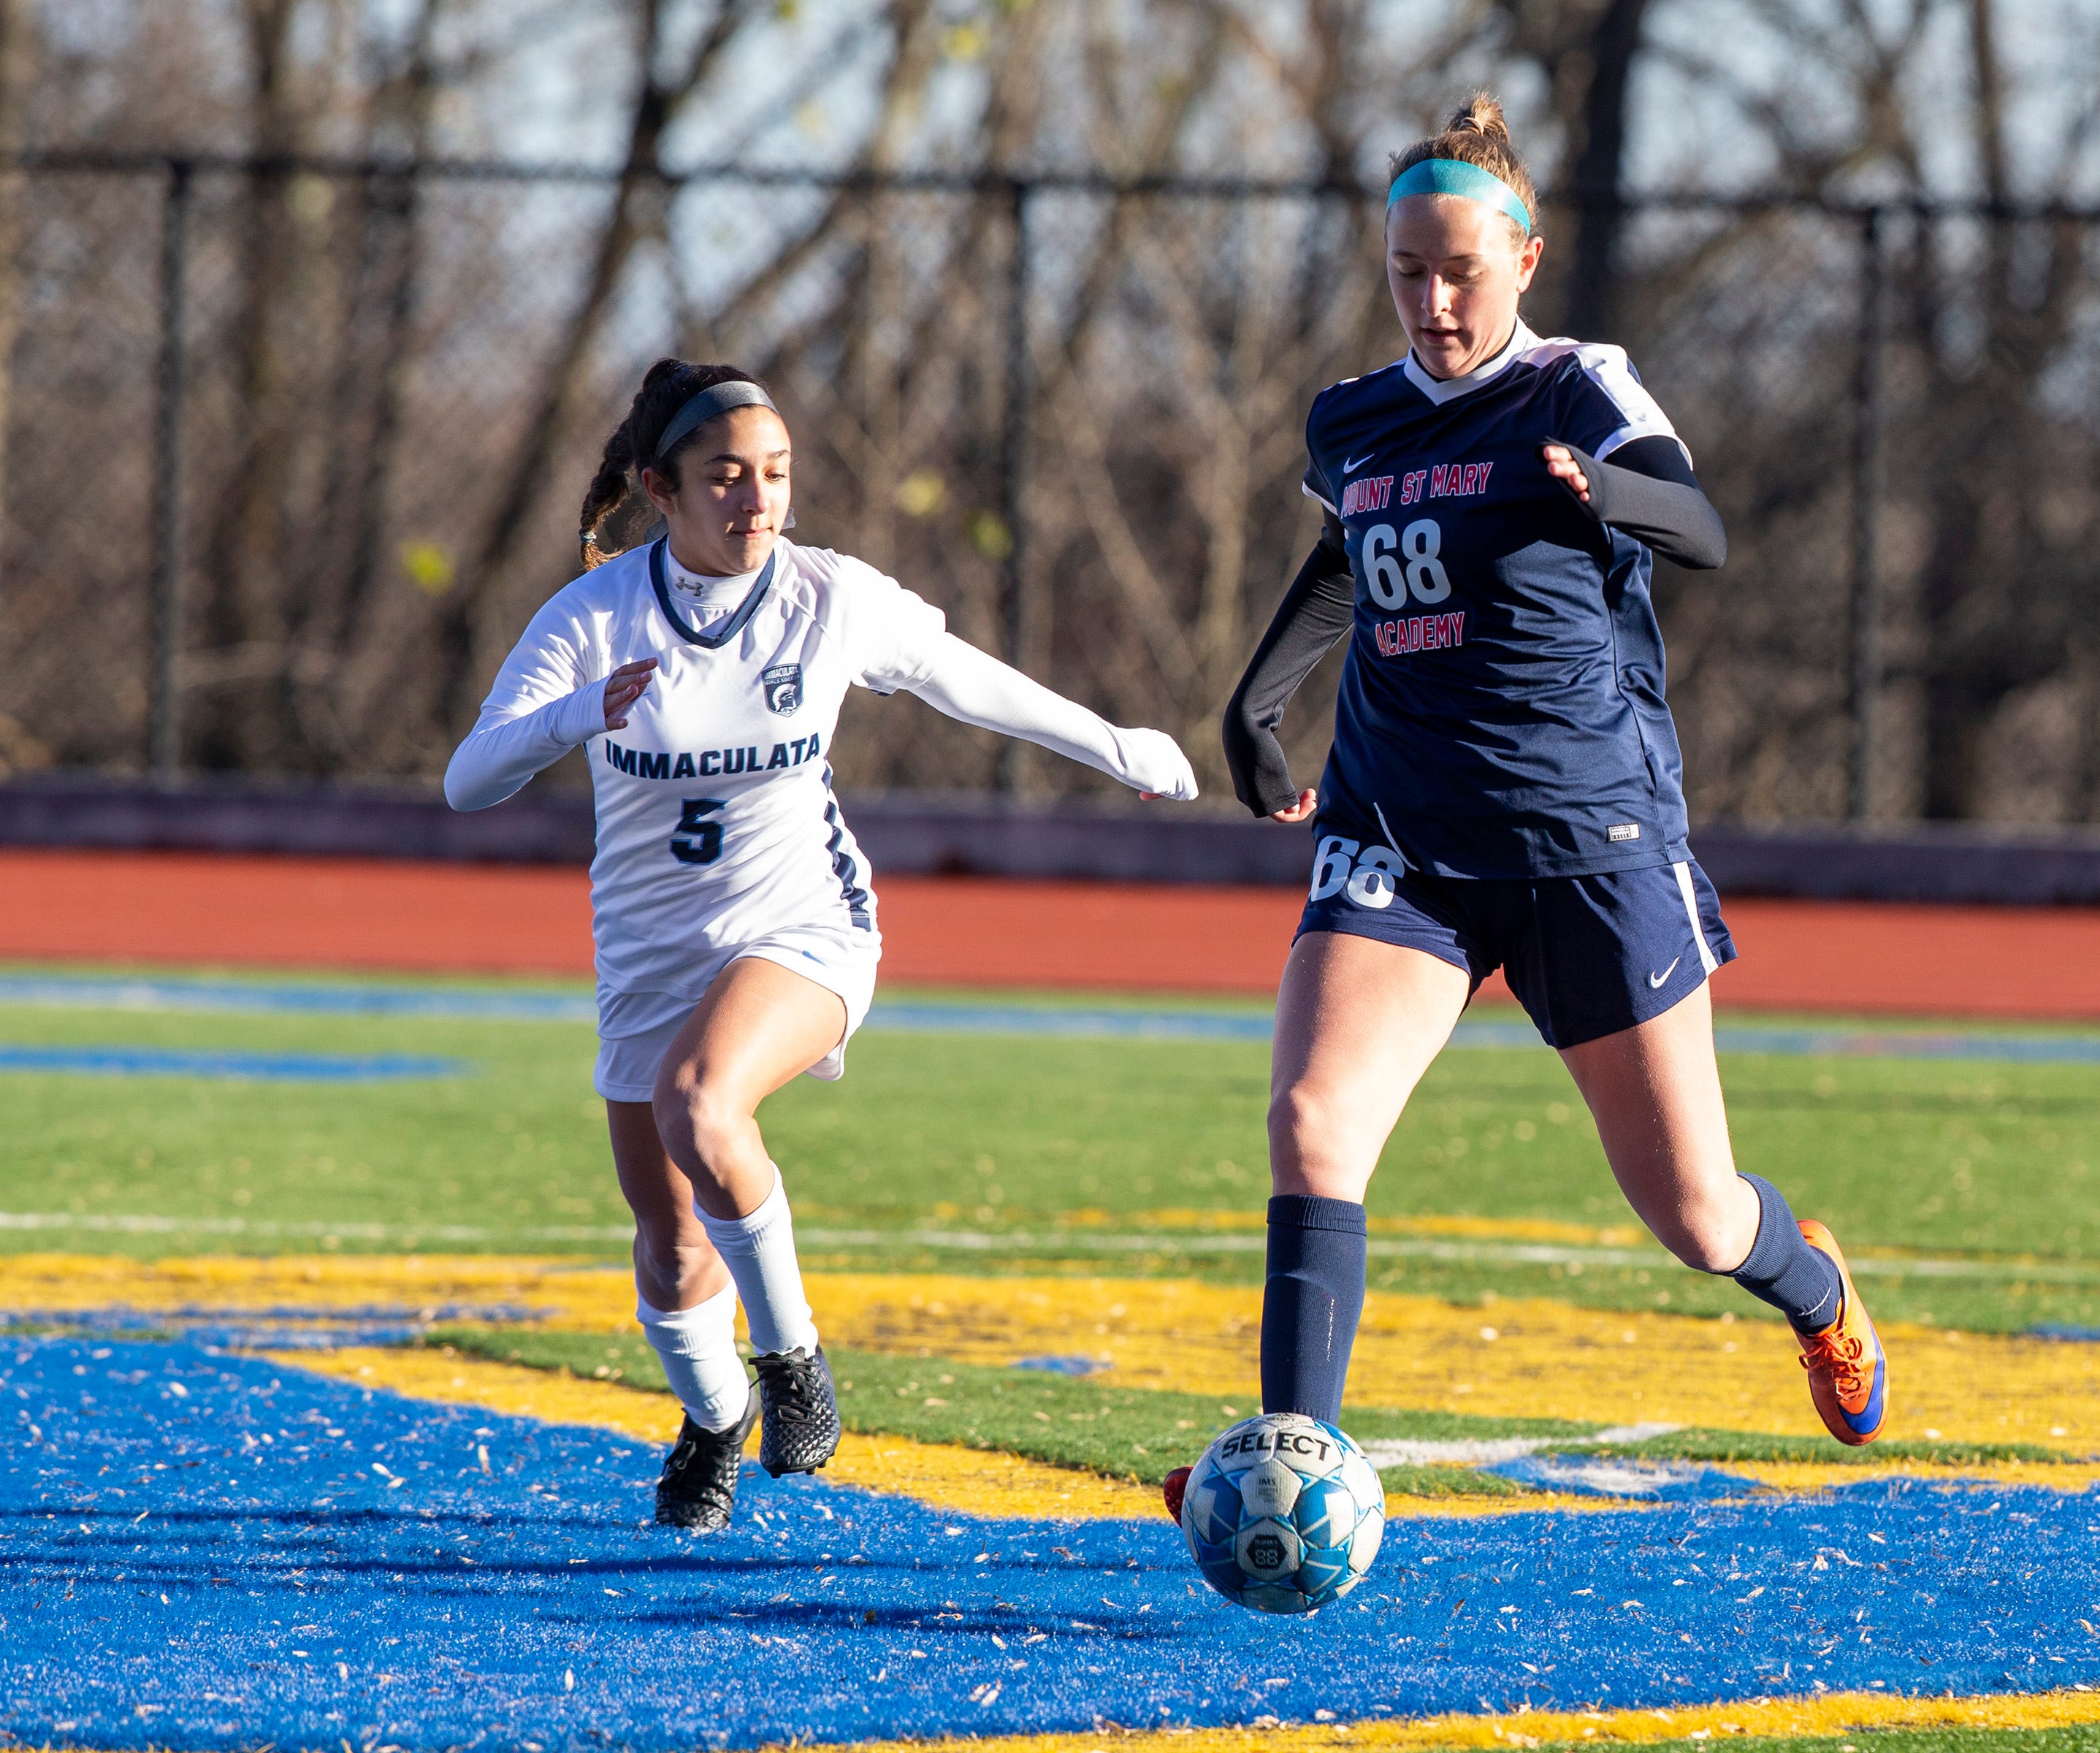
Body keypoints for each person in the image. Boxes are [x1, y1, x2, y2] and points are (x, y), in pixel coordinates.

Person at [1180, 95, 1885, 1511]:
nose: (1434, 302)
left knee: (1696, 1215)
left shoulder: (1584, 390)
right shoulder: (1353, 419)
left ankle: (1814, 1288)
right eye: (1408, 274)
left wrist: (1609, 494)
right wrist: (1259, 702)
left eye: (1462, 271)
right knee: (1314, 1127)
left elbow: (1702, 528)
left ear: (1526, 259)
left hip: (1588, 840)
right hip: (1400, 835)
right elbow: (1356, 553)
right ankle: (1293, 1472)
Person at [445, 359, 1197, 1531]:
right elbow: (467, 779)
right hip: (648, 955)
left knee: (704, 1105)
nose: (759, 501)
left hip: (804, 926)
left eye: (778, 475)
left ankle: (794, 1363)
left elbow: (961, 679)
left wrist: (1114, 744)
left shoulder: (826, 596)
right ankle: (712, 1421)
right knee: (668, 1241)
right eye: (727, 478)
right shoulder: (594, 617)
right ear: (661, 488)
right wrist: (571, 716)